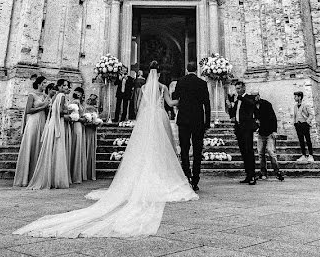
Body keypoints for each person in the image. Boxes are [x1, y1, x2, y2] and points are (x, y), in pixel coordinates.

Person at [14, 63, 196, 238]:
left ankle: (142, 174)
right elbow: (171, 103)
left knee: (146, 147)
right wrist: (185, 100)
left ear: (148, 72)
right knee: (161, 148)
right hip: (160, 117)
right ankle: (163, 174)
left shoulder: (143, 88)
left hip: (147, 120)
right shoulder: (163, 87)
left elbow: (138, 106)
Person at [170, 60, 211, 191]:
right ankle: (196, 179)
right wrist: (207, 122)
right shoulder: (202, 83)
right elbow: (207, 104)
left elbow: (175, 97)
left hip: (184, 120)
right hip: (198, 120)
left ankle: (187, 176)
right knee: (198, 150)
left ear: (187, 70)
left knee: (185, 149)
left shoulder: (181, 82)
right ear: (196, 70)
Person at [27, 80, 71, 190]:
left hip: (52, 123)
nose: (66, 87)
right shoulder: (61, 95)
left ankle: (49, 177)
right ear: (60, 87)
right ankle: (57, 178)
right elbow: (60, 112)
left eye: (67, 86)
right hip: (58, 123)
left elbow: (53, 110)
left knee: (51, 149)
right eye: (64, 85)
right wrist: (69, 112)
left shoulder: (55, 95)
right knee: (57, 149)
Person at [14, 76, 51, 187]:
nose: (45, 85)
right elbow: (28, 110)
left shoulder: (45, 96)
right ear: (39, 84)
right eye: (44, 83)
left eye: (46, 83)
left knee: (39, 147)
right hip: (33, 121)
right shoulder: (32, 95)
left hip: (43, 122)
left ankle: (36, 176)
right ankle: (25, 178)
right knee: (31, 145)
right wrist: (43, 107)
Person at [228, 80, 259, 185]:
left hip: (247, 128)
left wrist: (240, 98)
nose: (238, 90)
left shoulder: (249, 98)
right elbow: (233, 115)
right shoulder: (237, 101)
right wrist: (230, 106)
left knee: (249, 151)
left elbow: (251, 105)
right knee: (243, 152)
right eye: (236, 88)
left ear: (244, 88)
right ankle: (248, 174)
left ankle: (253, 175)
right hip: (239, 129)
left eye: (239, 88)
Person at [254, 91, 284, 181]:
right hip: (260, 133)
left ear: (258, 96)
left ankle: (277, 172)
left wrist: (274, 131)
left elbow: (273, 118)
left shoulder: (266, 104)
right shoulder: (252, 106)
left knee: (271, 152)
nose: (254, 98)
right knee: (260, 153)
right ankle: (263, 173)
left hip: (269, 132)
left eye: (255, 96)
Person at [67, 87, 87, 184]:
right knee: (77, 145)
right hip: (76, 125)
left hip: (81, 125)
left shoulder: (80, 103)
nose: (79, 93)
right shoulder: (75, 102)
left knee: (80, 146)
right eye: (78, 92)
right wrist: (81, 119)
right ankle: (74, 174)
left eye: (81, 92)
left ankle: (77, 173)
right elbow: (73, 116)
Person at [292, 91, 314, 162]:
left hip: (304, 124)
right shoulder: (295, 106)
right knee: (301, 140)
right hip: (298, 125)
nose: (294, 98)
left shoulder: (305, 105)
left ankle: (310, 155)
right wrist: (295, 123)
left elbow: (311, 114)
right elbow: (295, 116)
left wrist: (307, 122)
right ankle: (303, 155)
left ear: (300, 97)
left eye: (296, 96)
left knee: (308, 140)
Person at [82, 93, 100, 182]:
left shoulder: (94, 109)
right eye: (95, 100)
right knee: (87, 148)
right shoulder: (87, 108)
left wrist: (97, 122)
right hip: (88, 130)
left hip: (93, 130)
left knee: (91, 149)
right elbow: (85, 119)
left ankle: (89, 172)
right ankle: (86, 172)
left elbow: (96, 119)